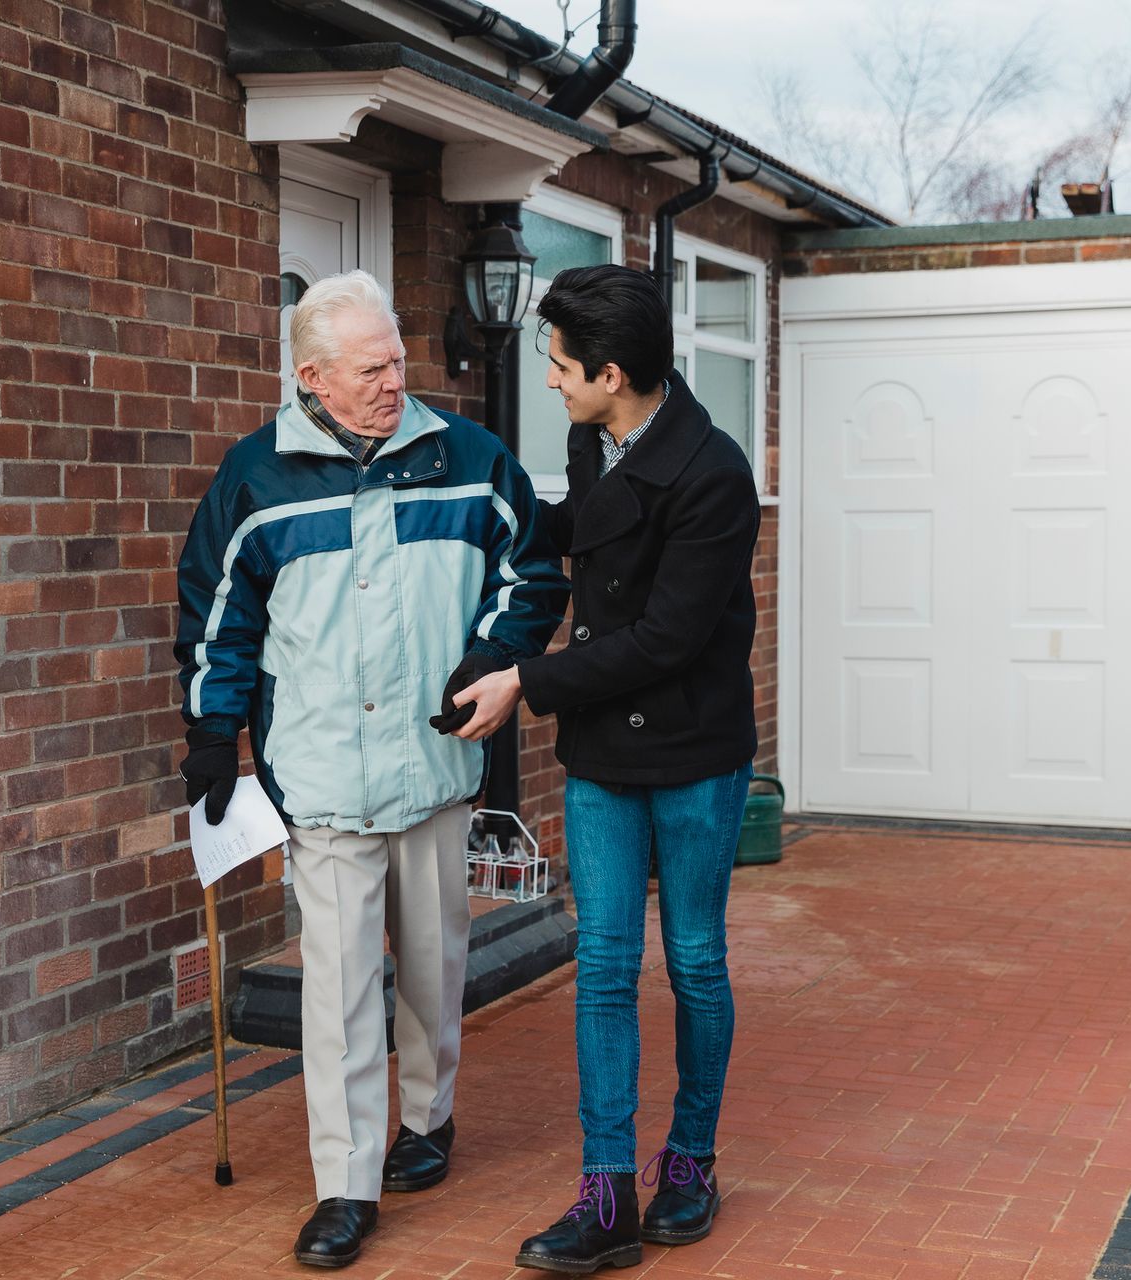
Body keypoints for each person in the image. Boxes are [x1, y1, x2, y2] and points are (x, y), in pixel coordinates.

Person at [174, 271, 567, 1269]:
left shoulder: (470, 460)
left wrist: (493, 652)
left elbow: (533, 570)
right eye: (371, 368)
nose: (396, 380)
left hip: (434, 765)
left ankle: (428, 1117)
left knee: (434, 965)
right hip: (320, 777)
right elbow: (218, 620)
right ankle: (344, 1185)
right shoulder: (255, 478)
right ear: (313, 377)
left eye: (397, 359)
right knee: (339, 987)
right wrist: (214, 734)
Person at [449, 264, 762, 1274]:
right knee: (606, 965)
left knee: (698, 959)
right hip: (603, 756)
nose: (551, 381)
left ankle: (693, 1160)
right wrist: (497, 622)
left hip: (691, 751)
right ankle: (605, 1190)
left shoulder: (714, 475)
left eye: (560, 366)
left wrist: (526, 683)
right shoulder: (595, 440)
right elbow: (581, 538)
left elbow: (666, 638)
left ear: (613, 372)